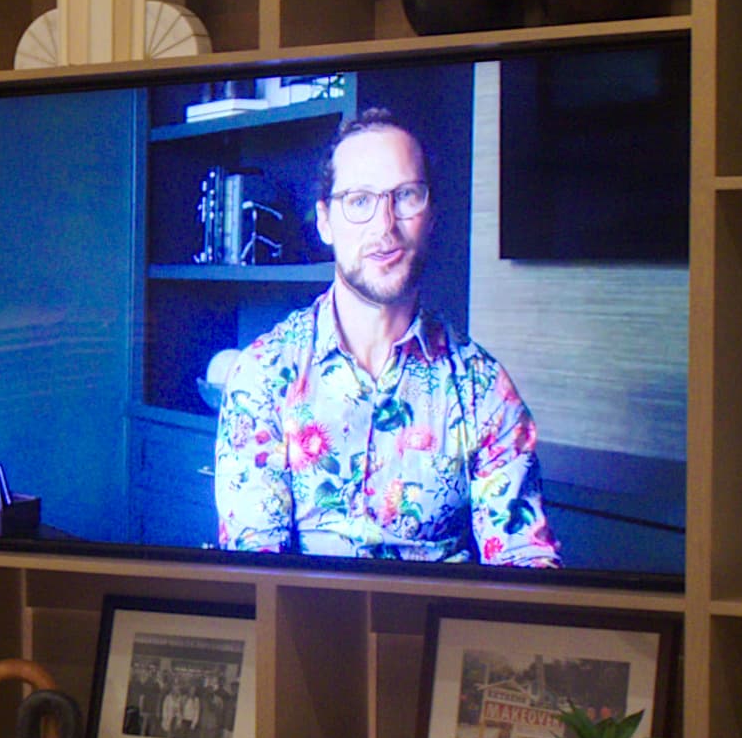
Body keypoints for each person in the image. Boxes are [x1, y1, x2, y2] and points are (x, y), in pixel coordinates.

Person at [206, 108, 558, 564]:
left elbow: (524, 562)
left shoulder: (484, 389)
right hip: (302, 629)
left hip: (437, 629)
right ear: (325, 222)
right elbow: (255, 570)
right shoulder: (263, 375)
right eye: (358, 200)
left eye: (406, 195)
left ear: (431, 215)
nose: (384, 225)